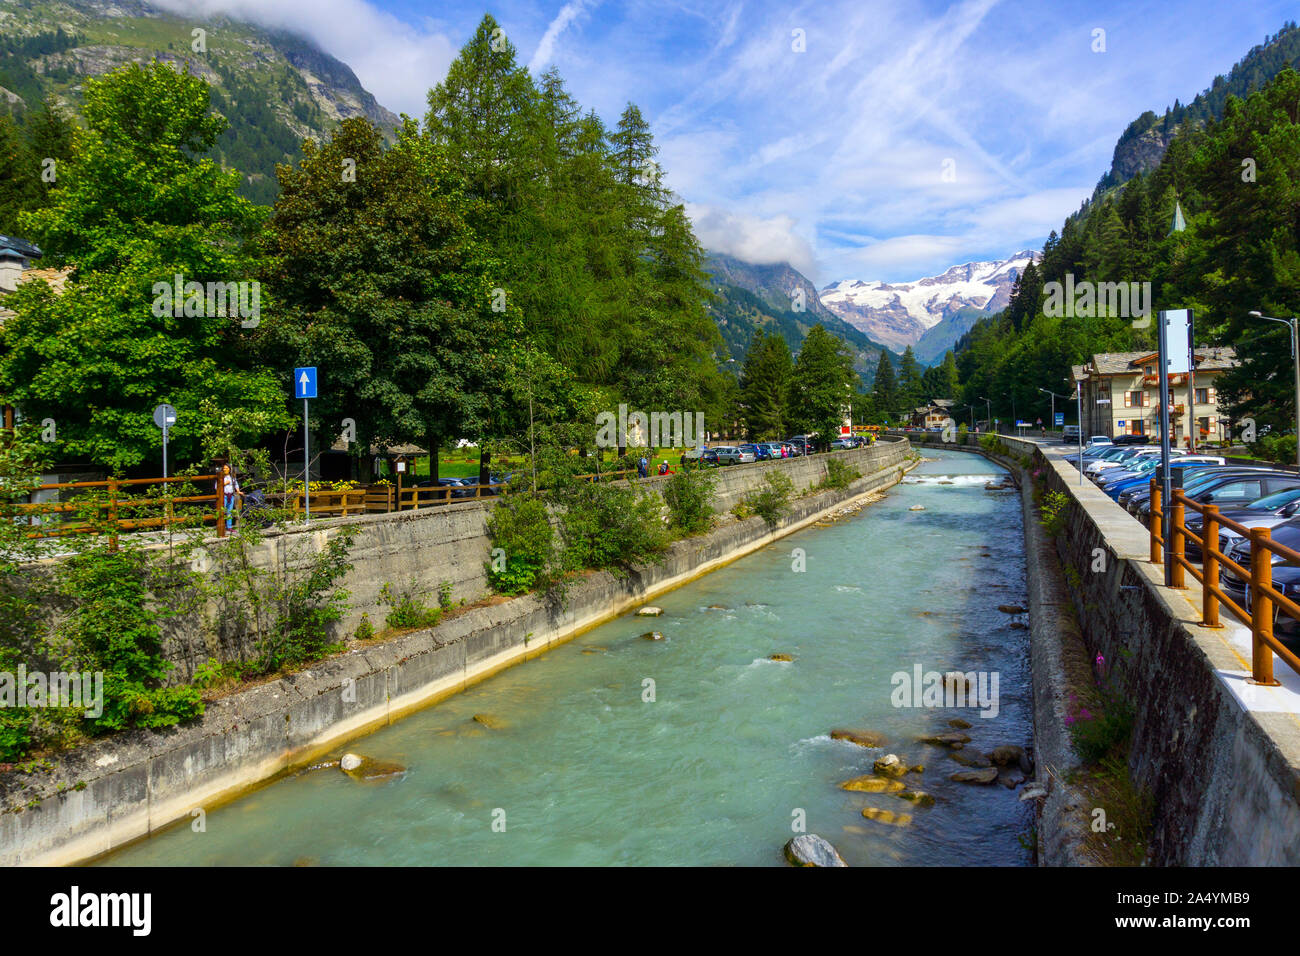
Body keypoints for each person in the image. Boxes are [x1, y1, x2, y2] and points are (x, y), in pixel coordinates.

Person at [216, 464, 241, 530]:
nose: (225, 469)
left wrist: (238, 491)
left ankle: (229, 527)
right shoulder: (220, 477)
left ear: (229, 469)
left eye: (226, 468)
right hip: (223, 496)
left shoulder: (232, 477)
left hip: (231, 496)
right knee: (222, 511)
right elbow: (216, 487)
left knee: (229, 512)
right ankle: (221, 526)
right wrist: (224, 484)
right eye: (224, 468)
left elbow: (236, 485)